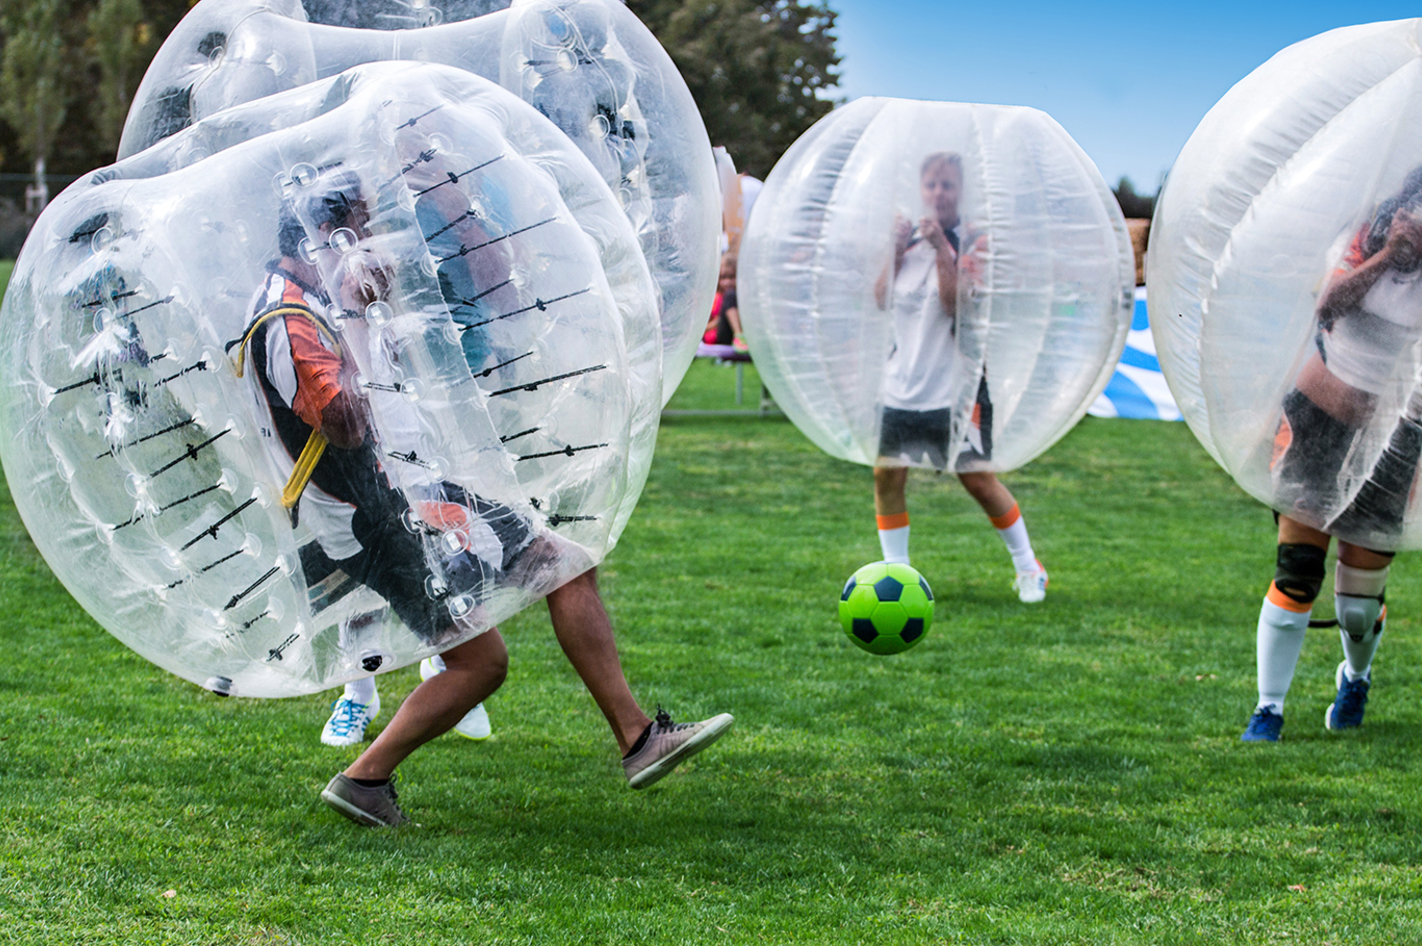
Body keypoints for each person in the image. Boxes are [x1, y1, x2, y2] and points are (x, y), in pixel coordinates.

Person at [238, 170, 732, 825]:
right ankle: (367, 777)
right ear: (335, 235)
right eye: (370, 226)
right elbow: (345, 421)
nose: (384, 241)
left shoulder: (308, 296)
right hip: (373, 518)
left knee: (545, 586)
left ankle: (635, 739)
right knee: (487, 655)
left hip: (392, 499)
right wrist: (357, 314)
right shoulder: (290, 316)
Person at [1242, 170, 1422, 741]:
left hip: (1395, 440)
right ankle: (1268, 709)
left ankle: (1356, 675)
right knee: (1297, 571)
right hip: (1317, 420)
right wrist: (1391, 253)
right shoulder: (1369, 231)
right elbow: (1328, 304)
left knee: (1356, 602)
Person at [870, 152, 1048, 602]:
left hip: (956, 388)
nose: (938, 193)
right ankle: (899, 573)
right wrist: (893, 249)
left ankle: (1029, 567)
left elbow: (958, 307)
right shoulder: (907, 242)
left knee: (978, 479)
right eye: (931, 185)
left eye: (947, 185)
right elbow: (879, 300)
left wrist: (942, 251)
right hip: (902, 385)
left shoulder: (973, 244)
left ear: (961, 191)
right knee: (887, 476)